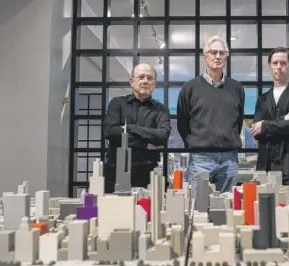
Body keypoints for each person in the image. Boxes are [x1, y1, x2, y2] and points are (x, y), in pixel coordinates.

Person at [177, 35, 245, 198]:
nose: (218, 56)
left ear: (226, 58)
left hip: (229, 159)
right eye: (213, 52)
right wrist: (195, 144)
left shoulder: (236, 88)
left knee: (227, 210)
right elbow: (182, 122)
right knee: (197, 207)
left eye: (222, 53)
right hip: (201, 158)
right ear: (205, 57)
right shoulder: (190, 88)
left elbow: (238, 121)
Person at [103, 63, 171, 192]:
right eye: (141, 77)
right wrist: (144, 144)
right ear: (132, 81)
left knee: (149, 212)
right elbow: (110, 131)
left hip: (147, 176)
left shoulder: (161, 109)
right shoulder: (117, 103)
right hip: (115, 174)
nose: (145, 81)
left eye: (149, 78)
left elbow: (162, 136)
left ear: (155, 84)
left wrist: (128, 127)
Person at [251, 47, 289, 186]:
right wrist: (285, 119)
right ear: (270, 66)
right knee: (265, 207)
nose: (279, 67)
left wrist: (265, 125)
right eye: (275, 63)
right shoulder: (262, 99)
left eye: (283, 63)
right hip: (266, 168)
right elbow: (256, 132)